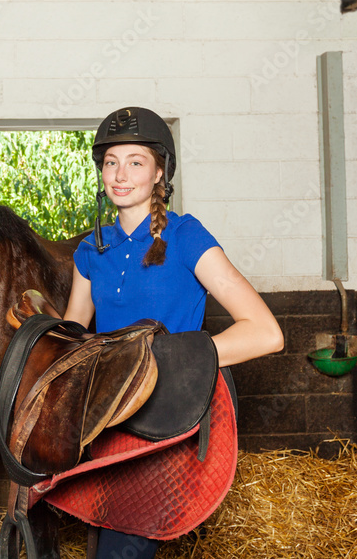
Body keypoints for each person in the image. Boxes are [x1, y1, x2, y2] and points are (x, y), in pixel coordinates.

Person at [64, 107, 285, 559]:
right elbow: (73, 337)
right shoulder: (91, 249)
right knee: (107, 531)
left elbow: (266, 333)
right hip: (113, 410)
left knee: (120, 544)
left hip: (174, 409)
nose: (120, 174)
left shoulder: (186, 236)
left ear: (160, 171)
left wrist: (164, 359)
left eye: (136, 162)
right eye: (110, 162)